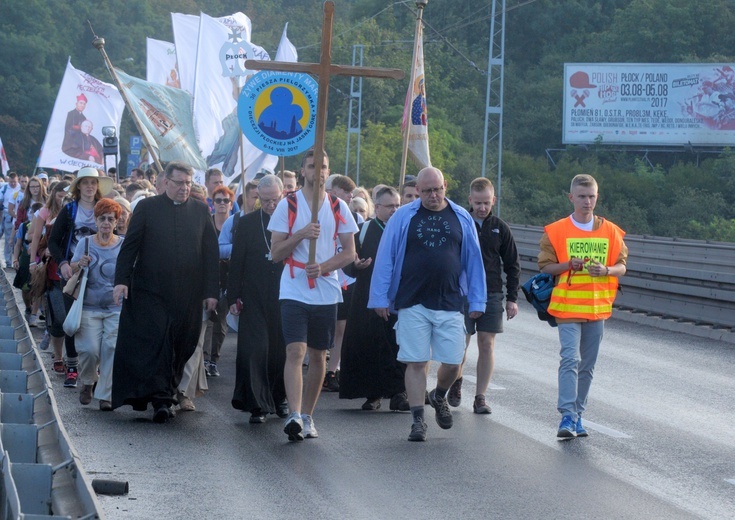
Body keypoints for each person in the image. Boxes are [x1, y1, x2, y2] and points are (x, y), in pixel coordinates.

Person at [368, 167, 486, 442]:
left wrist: (478, 300)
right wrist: (379, 297)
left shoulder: (461, 217)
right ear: (417, 190)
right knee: (416, 361)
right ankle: (418, 419)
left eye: (437, 189)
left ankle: (440, 395)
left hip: (450, 300)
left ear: (445, 186)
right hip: (412, 299)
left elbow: (474, 261)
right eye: (426, 191)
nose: (433, 195)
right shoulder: (403, 217)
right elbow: (386, 257)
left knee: (454, 361)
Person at [111, 161, 219, 423]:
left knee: (185, 343)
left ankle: (169, 389)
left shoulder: (201, 210)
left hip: (188, 294)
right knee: (159, 341)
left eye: (188, 183)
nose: (184, 187)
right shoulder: (147, 208)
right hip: (151, 291)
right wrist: (121, 280)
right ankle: (162, 398)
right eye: (180, 182)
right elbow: (130, 247)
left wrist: (211, 291)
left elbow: (210, 255)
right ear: (165, 183)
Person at [268, 149, 358, 441]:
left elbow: (349, 253)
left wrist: (323, 267)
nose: (318, 172)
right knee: (296, 351)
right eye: (312, 166)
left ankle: (307, 415)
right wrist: (301, 234)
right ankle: (293, 414)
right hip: (294, 286)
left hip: (326, 290)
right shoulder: (288, 205)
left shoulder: (337, 207)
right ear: (303, 170)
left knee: (319, 354)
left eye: (324, 167)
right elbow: (275, 252)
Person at [539, 174, 627, 438]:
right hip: (567, 307)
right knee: (570, 359)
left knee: (587, 365)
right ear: (571, 198)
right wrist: (568, 264)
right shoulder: (556, 230)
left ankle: (578, 415)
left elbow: (622, 266)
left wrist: (607, 269)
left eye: (591, 196)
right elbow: (545, 266)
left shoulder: (611, 231)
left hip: (597, 307)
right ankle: (566, 416)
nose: (587, 201)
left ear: (597, 197)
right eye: (581, 196)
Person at [451, 177, 520, 414]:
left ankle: (480, 396)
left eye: (486, 203)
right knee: (461, 343)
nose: (482, 207)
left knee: (487, 344)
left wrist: (512, 298)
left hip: (491, 293)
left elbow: (512, 265)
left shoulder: (500, 228)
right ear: (470, 200)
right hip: (463, 292)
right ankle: (456, 380)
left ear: (494, 201)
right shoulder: (459, 222)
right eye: (478, 202)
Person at [340, 186, 409, 411]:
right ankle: (373, 393)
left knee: (397, 345)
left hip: (397, 296)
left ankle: (399, 392)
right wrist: (355, 266)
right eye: (390, 206)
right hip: (367, 296)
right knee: (370, 344)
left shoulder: (405, 228)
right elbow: (349, 260)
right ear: (377, 207)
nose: (394, 210)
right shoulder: (365, 229)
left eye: (397, 206)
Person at [228, 174, 288, 422]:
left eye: (275, 200)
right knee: (255, 349)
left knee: (280, 351)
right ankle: (257, 405)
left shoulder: (293, 222)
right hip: (253, 294)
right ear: (257, 198)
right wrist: (233, 296)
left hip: (285, 294)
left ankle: (279, 398)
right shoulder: (247, 223)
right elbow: (236, 262)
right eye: (265, 201)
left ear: (282, 195)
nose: (271, 205)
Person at [48, 167, 114, 388]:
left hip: (101, 275)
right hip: (74, 273)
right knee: (72, 321)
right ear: (78, 187)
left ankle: (93, 369)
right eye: (85, 183)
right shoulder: (69, 210)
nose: (89, 187)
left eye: (93, 183)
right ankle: (72, 367)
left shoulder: (104, 207)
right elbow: (54, 242)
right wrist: (64, 263)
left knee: (97, 322)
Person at [70, 199, 124, 411]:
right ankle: (88, 381)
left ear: (117, 222)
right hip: (89, 307)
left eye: (110, 219)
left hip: (115, 308)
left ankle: (105, 395)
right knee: (90, 350)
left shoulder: (122, 244)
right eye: (102, 218)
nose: (106, 223)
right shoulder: (85, 243)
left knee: (110, 348)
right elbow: (73, 268)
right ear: (95, 220)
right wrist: (79, 264)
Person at [28, 180, 71, 365]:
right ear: (54, 194)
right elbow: (36, 237)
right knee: (59, 316)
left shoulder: (77, 213)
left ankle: (70, 357)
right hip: (53, 270)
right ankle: (56, 348)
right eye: (60, 196)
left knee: (73, 319)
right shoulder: (45, 212)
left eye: (66, 197)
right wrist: (33, 260)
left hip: (75, 271)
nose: (63, 200)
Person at [202, 185, 234, 377]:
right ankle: (204, 358)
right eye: (218, 200)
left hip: (227, 278)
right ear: (212, 204)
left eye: (226, 200)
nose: (222, 204)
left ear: (231, 204)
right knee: (207, 321)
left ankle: (214, 359)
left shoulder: (234, 225)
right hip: (209, 276)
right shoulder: (208, 223)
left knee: (221, 323)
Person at [1, 172, 20, 267]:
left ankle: (16, 260)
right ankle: (8, 262)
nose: (13, 184)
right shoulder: (4, 188)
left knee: (18, 239)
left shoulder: (21, 188)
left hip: (18, 215)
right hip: (7, 213)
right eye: (11, 182)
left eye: (15, 182)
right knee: (9, 238)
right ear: (9, 180)